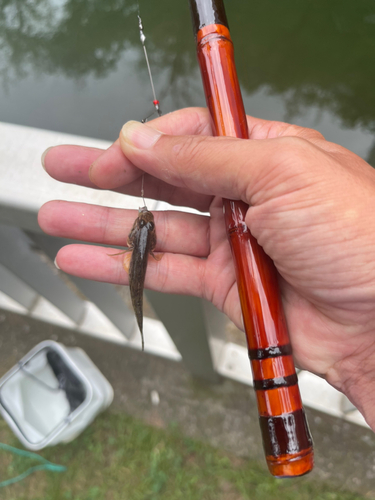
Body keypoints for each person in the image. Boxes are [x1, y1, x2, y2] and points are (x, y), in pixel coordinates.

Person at [39, 107, 375, 431]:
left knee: (136, 292)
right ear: (144, 239)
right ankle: (140, 326)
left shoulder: (140, 240)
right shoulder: (145, 240)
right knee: (136, 292)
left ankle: (139, 327)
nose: (144, 223)